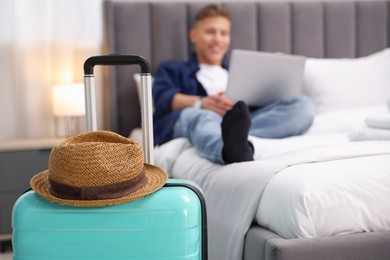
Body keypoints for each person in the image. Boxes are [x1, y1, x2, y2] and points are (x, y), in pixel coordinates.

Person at [152, 4, 315, 165]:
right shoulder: (173, 68)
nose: (218, 39)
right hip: (198, 117)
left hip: (241, 120)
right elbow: (162, 98)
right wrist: (202, 103)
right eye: (210, 32)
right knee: (204, 116)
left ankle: (236, 136)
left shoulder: (240, 70)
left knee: (303, 105)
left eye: (223, 33)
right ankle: (226, 149)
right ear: (194, 35)